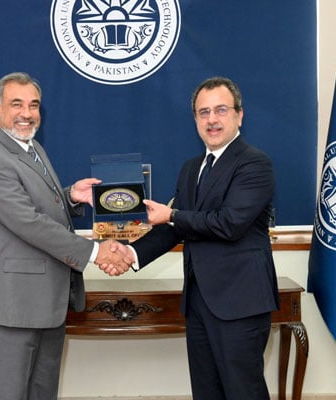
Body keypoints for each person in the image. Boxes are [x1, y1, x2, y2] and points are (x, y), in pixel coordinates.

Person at [0, 72, 131, 400]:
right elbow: (28, 223)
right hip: (12, 304)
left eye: (34, 105)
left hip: (45, 301)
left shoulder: (32, 148)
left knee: (43, 393)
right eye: (17, 104)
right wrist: (96, 252)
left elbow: (36, 206)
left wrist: (71, 196)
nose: (27, 113)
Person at [120, 76, 279, 399]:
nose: (212, 120)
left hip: (240, 303)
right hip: (199, 302)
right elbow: (176, 228)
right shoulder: (191, 168)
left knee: (243, 391)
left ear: (239, 115)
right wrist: (130, 255)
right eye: (203, 112)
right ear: (195, 119)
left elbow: (229, 223)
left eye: (221, 110)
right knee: (206, 392)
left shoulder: (254, 164)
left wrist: (173, 215)